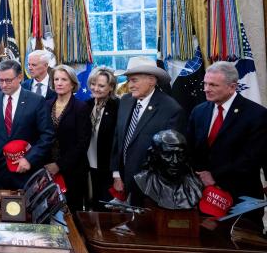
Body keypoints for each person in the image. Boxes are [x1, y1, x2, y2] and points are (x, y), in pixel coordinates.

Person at [187, 61, 267, 211]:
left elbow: (251, 157)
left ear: (232, 87)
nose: (206, 89)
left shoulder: (256, 114)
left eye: (213, 85)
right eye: (205, 84)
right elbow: (191, 149)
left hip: (241, 197)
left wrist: (214, 176)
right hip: (203, 195)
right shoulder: (199, 111)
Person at [110, 56, 186, 202]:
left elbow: (172, 157)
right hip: (125, 182)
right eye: (128, 80)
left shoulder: (171, 109)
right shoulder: (125, 101)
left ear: (151, 80)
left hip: (153, 189)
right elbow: (118, 138)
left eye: (134, 80)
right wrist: (117, 175)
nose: (129, 85)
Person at [0, 60, 54, 189]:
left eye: (8, 80)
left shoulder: (36, 101)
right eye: (0, 80)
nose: (4, 85)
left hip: (26, 171)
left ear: (20, 77)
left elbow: (47, 135)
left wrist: (30, 159)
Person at [44, 64, 91, 212]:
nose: (59, 82)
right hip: (46, 169)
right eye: (56, 79)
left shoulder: (81, 107)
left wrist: (59, 165)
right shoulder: (45, 105)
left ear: (72, 83)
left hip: (72, 171)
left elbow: (83, 143)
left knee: (72, 214)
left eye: (64, 79)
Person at [133, 129, 202, 210]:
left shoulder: (195, 185)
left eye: (180, 155)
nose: (175, 161)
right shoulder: (142, 182)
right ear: (154, 155)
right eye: (167, 154)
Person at [85, 66, 119, 210]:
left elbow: (119, 141)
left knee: (106, 208)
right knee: (89, 206)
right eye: (93, 84)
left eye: (101, 85)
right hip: (87, 167)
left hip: (108, 169)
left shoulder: (118, 106)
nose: (95, 88)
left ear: (111, 87)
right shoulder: (86, 105)